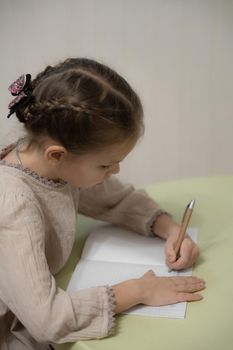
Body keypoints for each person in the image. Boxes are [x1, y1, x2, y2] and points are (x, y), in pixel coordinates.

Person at [0, 58, 205, 349]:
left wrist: (170, 228)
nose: (115, 172)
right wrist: (139, 290)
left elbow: (113, 198)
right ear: (57, 155)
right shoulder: (13, 203)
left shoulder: (48, 162)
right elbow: (47, 320)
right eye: (106, 165)